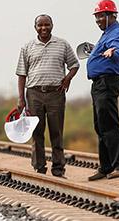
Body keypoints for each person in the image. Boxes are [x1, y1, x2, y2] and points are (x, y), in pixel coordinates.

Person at [15, 14, 79, 177]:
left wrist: (67, 79)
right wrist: (21, 99)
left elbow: (74, 64)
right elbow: (22, 74)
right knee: (37, 132)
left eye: (47, 25)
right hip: (34, 94)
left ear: (52, 25)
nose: (43, 28)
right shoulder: (27, 47)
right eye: (40, 25)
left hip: (55, 94)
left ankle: (58, 168)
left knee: (56, 132)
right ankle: (39, 167)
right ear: (35, 27)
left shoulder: (62, 44)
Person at [86, 0, 119, 181]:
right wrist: (96, 51)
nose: (97, 20)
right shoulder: (106, 33)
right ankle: (105, 167)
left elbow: (117, 47)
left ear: (111, 15)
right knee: (100, 125)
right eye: (96, 17)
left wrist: (113, 51)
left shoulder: (117, 32)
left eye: (100, 16)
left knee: (109, 124)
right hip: (98, 84)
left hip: (107, 82)